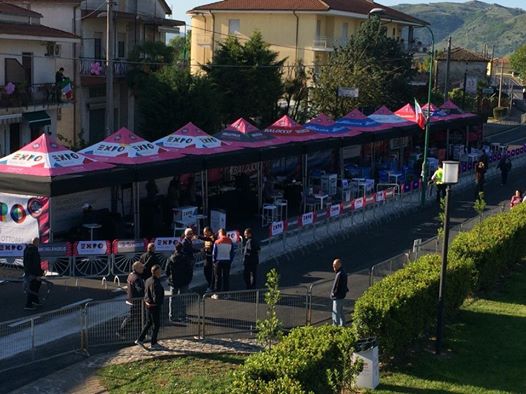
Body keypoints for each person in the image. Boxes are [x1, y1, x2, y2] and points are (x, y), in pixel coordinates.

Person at [136, 264, 164, 350]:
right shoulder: (156, 283)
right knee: (156, 324)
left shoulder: (148, 280)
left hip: (148, 304)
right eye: (160, 271)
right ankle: (153, 342)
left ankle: (140, 339)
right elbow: (156, 296)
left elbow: (145, 292)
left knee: (148, 322)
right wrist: (157, 303)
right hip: (154, 306)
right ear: (157, 272)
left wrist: (146, 301)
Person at [165, 243, 193, 322]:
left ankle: (172, 316)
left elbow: (167, 271)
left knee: (172, 299)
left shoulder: (171, 258)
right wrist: (188, 280)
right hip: (184, 281)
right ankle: (182, 316)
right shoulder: (185, 258)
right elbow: (189, 270)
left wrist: (170, 278)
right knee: (183, 299)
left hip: (173, 281)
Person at [117, 261, 145, 337]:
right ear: (136, 268)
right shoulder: (137, 278)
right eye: (141, 267)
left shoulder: (131, 275)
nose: (143, 268)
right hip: (137, 300)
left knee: (135, 317)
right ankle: (141, 334)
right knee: (136, 317)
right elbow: (140, 289)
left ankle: (141, 333)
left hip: (132, 298)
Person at [211, 228, 234, 299]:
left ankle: (217, 294)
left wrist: (214, 261)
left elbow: (214, 253)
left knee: (218, 278)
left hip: (218, 261)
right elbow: (232, 252)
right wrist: (230, 260)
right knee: (226, 277)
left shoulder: (217, 242)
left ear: (220, 233)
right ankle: (226, 294)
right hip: (227, 261)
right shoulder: (230, 241)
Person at [23, 237, 44, 311]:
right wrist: (38, 274)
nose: (39, 244)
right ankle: (28, 304)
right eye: (38, 242)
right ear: (35, 242)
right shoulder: (34, 251)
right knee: (33, 288)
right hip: (33, 273)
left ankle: (35, 301)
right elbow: (36, 264)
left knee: (34, 287)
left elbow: (26, 263)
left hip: (28, 272)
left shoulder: (26, 249)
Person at [330, 258, 348, 326]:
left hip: (338, 296)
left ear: (339, 265)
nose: (333, 267)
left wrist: (333, 294)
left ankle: (335, 326)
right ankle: (343, 324)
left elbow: (336, 286)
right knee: (340, 311)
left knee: (336, 312)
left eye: (335, 266)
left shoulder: (339, 274)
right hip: (342, 295)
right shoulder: (343, 272)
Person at [198, 227, 215, 292]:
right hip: (207, 257)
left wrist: (199, 237)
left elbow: (210, 239)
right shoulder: (206, 239)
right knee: (206, 272)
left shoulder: (213, 237)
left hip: (212, 258)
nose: (204, 234)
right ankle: (209, 284)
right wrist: (204, 249)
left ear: (209, 232)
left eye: (205, 232)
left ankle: (211, 286)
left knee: (211, 273)